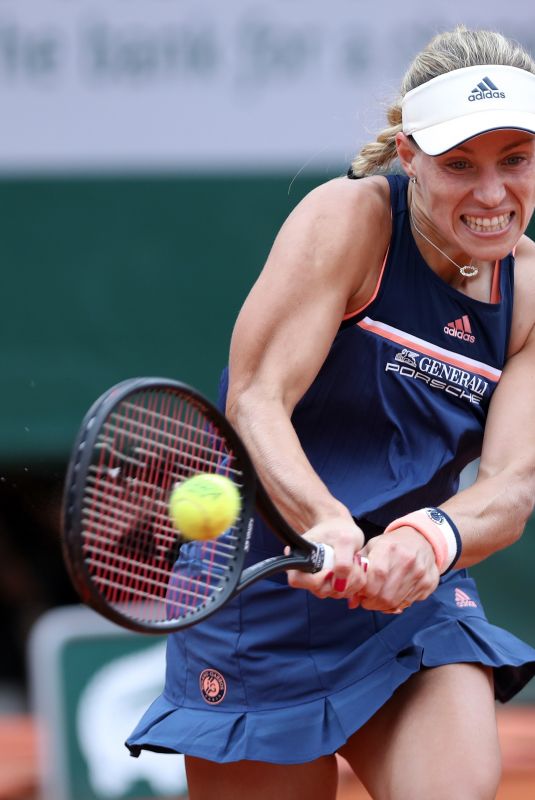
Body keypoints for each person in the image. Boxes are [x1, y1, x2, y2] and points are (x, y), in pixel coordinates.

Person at [127, 26, 535, 799]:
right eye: (459, 164)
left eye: (514, 160)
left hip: (412, 602)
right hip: (255, 592)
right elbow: (255, 399)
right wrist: (322, 519)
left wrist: (433, 536)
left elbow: (512, 487)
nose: (491, 194)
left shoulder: (529, 295)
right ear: (408, 154)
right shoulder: (347, 220)